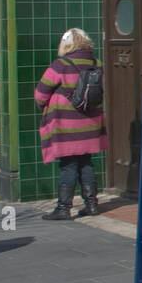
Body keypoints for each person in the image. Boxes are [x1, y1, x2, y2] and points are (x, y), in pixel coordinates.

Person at [34, 28, 107, 220]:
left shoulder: (61, 65)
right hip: (90, 123)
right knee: (86, 163)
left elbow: (40, 93)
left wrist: (43, 106)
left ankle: (63, 208)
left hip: (66, 124)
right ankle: (91, 205)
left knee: (68, 165)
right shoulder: (96, 64)